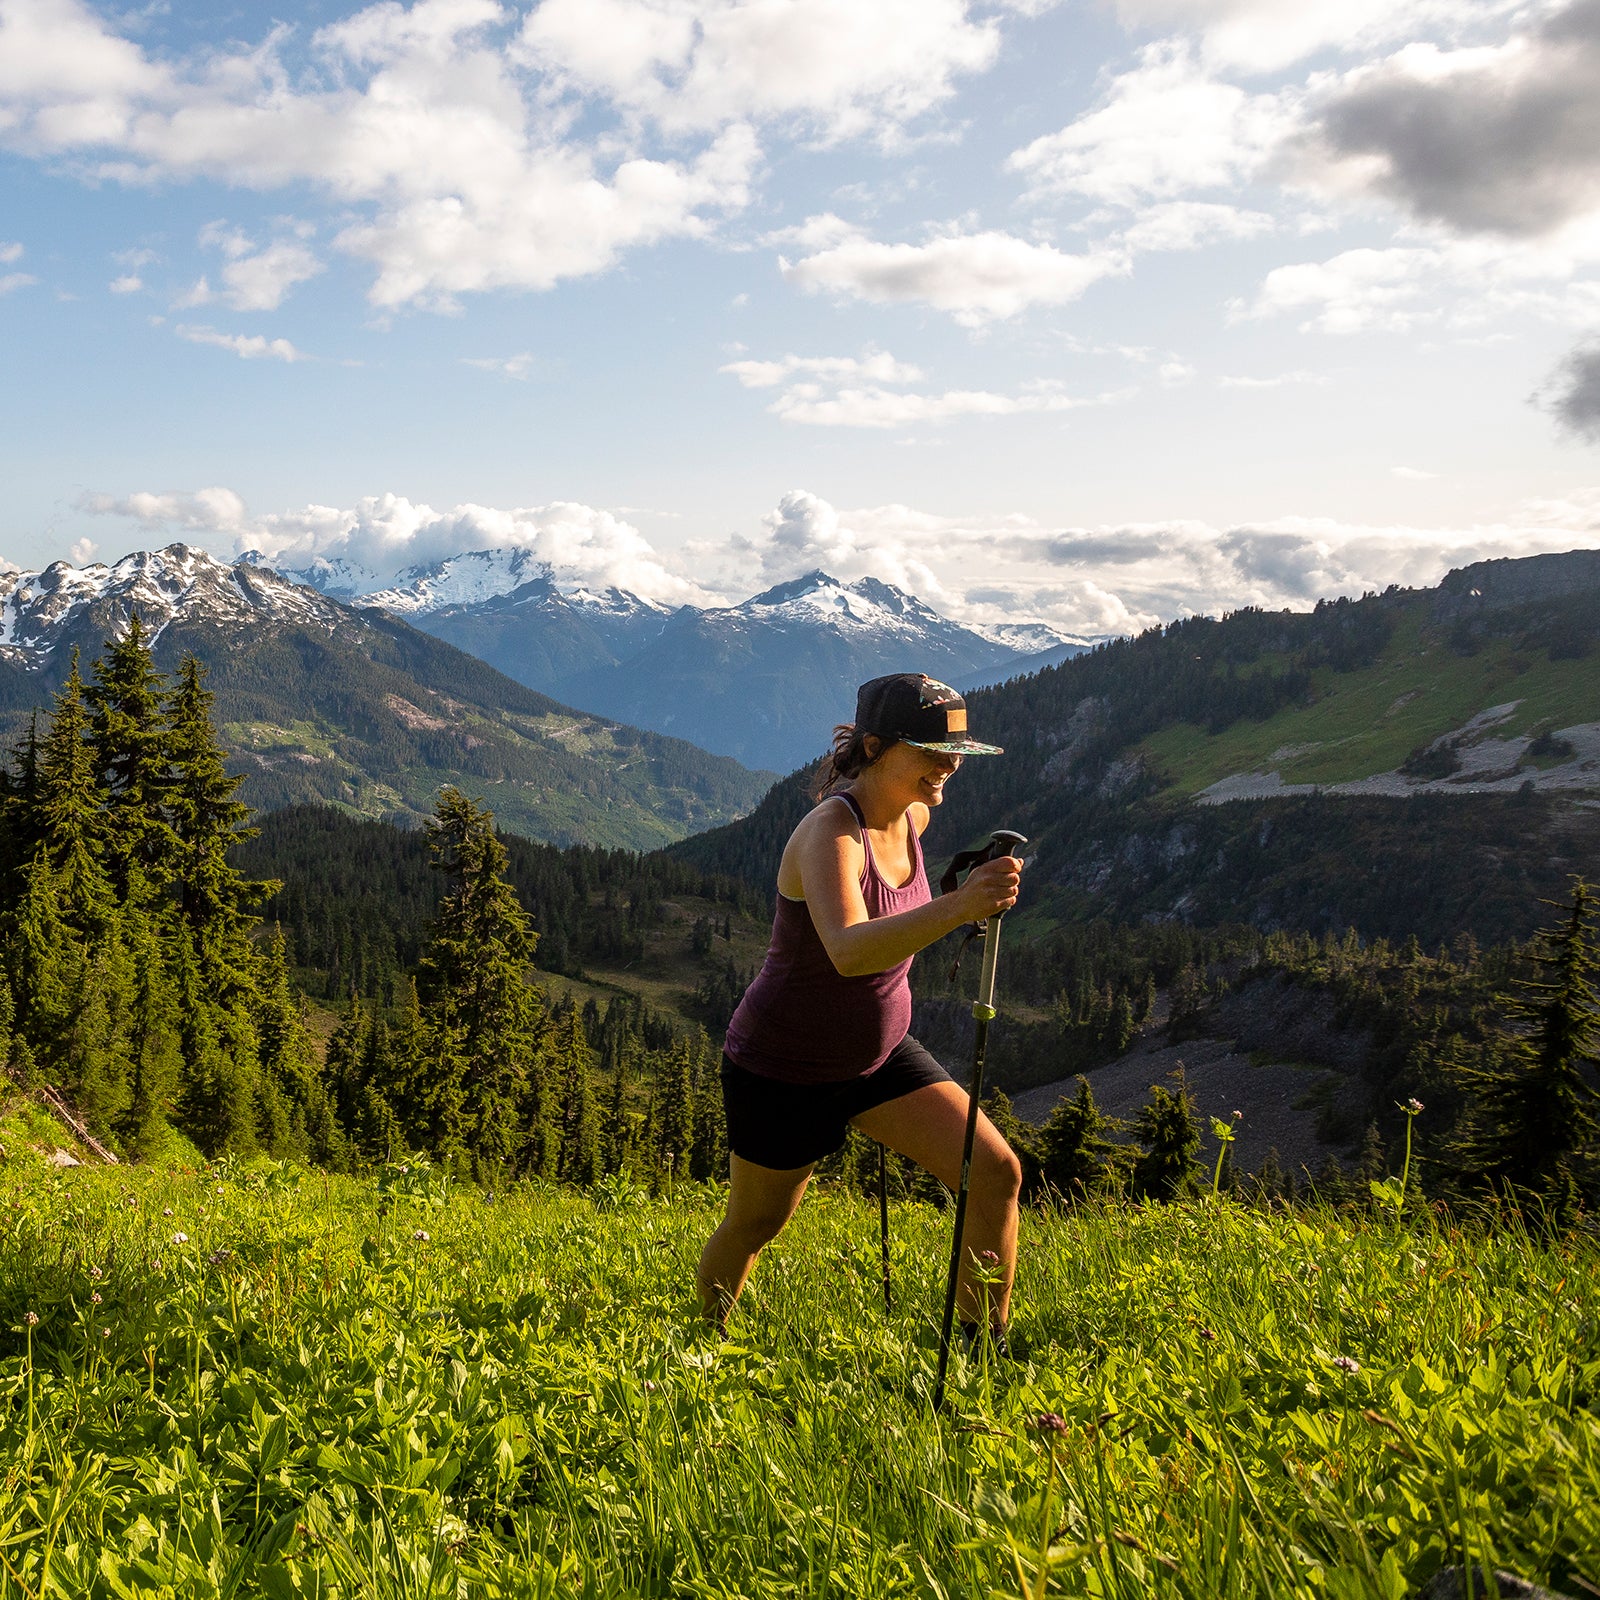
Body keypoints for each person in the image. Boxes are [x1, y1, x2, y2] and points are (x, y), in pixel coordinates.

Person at [696, 672, 1024, 1346]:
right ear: (875, 746)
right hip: (784, 1066)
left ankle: (979, 1353)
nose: (949, 765)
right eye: (930, 750)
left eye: (957, 752)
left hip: (879, 1054)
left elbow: (904, 919)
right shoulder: (830, 834)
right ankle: (703, 1346)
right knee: (757, 1224)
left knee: (994, 1174)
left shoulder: (915, 817)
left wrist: (969, 894)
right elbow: (847, 950)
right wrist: (959, 905)